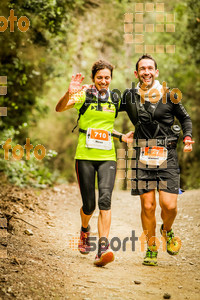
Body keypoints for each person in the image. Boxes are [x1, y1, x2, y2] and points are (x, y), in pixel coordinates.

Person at [56, 60, 132, 267]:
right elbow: (59, 108)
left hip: (107, 157)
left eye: (107, 77)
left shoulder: (115, 98)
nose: (104, 81)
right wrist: (69, 92)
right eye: (100, 77)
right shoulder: (83, 95)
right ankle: (84, 230)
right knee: (89, 205)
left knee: (105, 201)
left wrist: (122, 136)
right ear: (93, 79)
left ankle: (102, 249)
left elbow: (106, 129)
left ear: (111, 78)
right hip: (85, 156)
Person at [119, 54, 194, 266]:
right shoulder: (129, 96)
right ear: (137, 73)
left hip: (167, 154)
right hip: (143, 156)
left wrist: (187, 137)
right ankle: (152, 246)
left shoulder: (170, 95)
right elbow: (108, 109)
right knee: (148, 206)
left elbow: (185, 118)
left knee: (169, 206)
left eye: (150, 68)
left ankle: (166, 230)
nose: (146, 72)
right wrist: (119, 134)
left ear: (156, 72)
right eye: (142, 69)